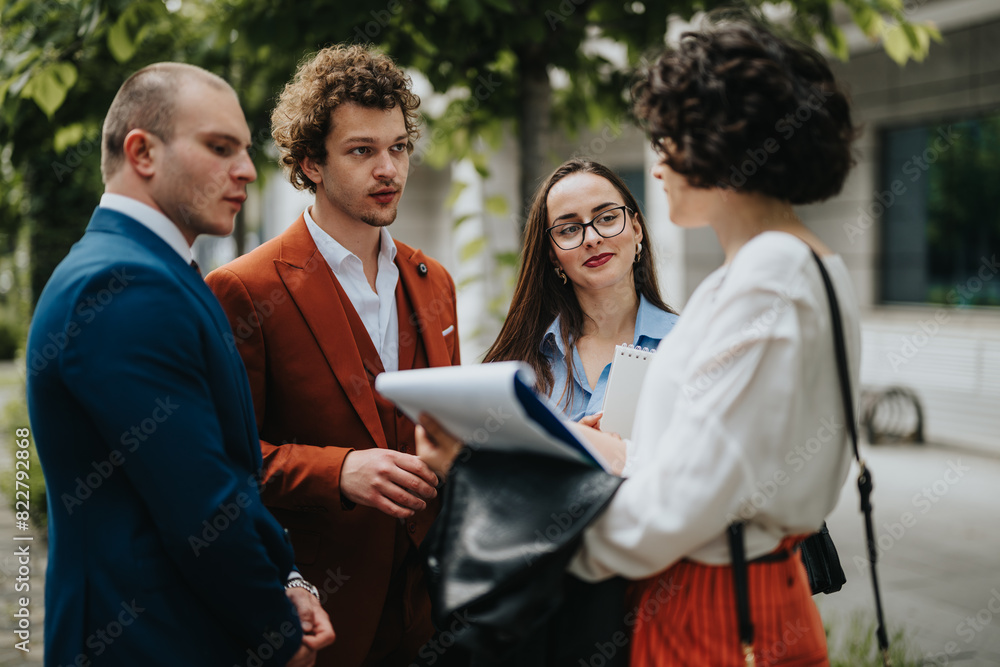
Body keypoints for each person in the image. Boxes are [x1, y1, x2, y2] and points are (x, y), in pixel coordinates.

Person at [418, 17, 861, 666]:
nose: (654, 165)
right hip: (730, 589)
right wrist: (599, 443)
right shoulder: (780, 270)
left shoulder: (771, 281)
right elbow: (694, 463)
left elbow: (674, 509)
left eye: (666, 138)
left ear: (721, 140)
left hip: (713, 609)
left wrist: (498, 488)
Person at [26, 63, 334, 666]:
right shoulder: (120, 285)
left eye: (245, 150)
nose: (246, 169)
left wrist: (289, 579)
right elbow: (201, 504)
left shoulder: (159, 270)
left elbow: (228, 471)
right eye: (220, 148)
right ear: (141, 152)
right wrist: (275, 629)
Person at [206, 45, 460, 667]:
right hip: (318, 615)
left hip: (434, 610)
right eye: (361, 151)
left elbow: (448, 430)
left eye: (398, 147)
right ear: (310, 162)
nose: (389, 169)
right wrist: (337, 471)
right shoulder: (246, 288)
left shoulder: (435, 280)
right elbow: (221, 462)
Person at [484, 159, 678, 434]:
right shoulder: (515, 366)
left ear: (636, 229)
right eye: (569, 229)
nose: (592, 238)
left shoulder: (689, 344)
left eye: (608, 218)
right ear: (553, 255)